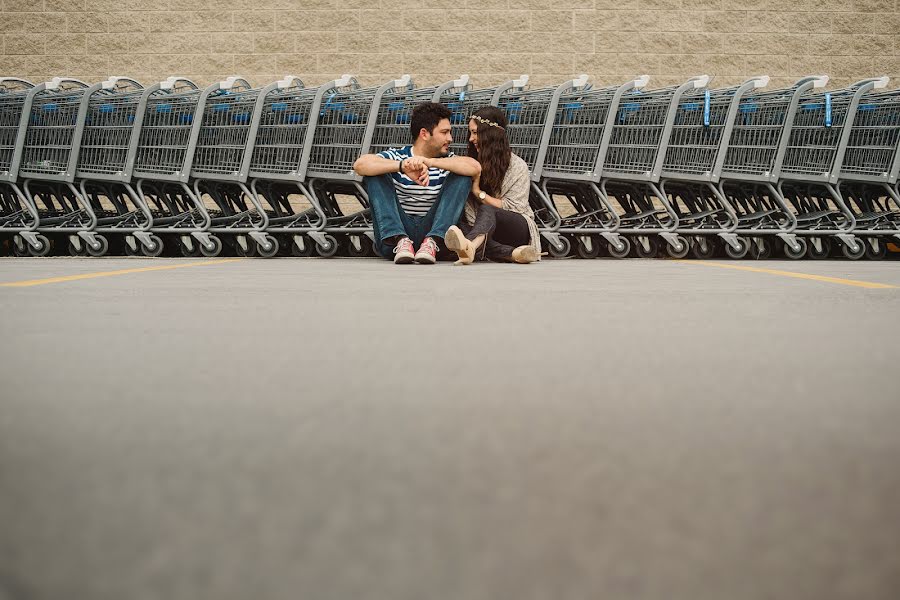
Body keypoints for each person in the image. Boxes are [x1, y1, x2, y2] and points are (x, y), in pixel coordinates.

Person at [353, 102, 481, 264]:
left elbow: (474, 167)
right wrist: (402, 167)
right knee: (375, 173)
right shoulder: (398, 155)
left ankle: (433, 241)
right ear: (424, 134)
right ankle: (400, 240)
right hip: (394, 239)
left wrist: (428, 162)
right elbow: (360, 165)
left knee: (462, 175)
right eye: (444, 132)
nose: (450, 138)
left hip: (437, 239)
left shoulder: (446, 161)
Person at [443, 106, 540, 265]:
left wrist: (477, 192)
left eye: (475, 133)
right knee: (453, 226)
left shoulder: (517, 166)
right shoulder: (473, 164)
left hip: (516, 227)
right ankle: (513, 254)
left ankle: (472, 246)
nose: (471, 139)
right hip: (484, 230)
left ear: (490, 134)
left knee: (487, 209)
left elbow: (514, 207)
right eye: (471, 133)